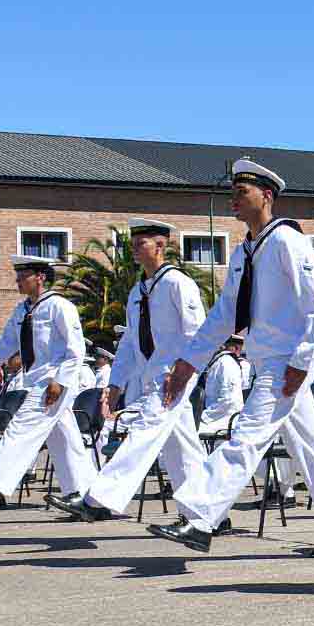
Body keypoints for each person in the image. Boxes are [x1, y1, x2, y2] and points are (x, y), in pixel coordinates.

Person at [151, 159, 314, 557]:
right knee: (312, 448)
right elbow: (223, 315)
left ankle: (200, 518)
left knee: (246, 437)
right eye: (232, 192)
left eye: (242, 192)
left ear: (266, 196)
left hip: (287, 362)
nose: (234, 199)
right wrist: (188, 362)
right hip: (267, 361)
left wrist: (302, 363)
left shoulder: (287, 240)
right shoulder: (244, 252)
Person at [54, 219, 210, 524]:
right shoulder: (138, 291)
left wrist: (183, 370)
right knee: (182, 449)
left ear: (161, 246)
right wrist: (115, 384)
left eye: (141, 244)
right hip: (153, 375)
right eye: (133, 244)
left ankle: (98, 499)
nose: (135, 250)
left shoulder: (178, 283)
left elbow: (198, 334)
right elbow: (129, 342)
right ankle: (204, 515)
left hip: (176, 375)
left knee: (144, 430)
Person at [0, 254, 91, 512]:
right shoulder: (22, 309)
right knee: (65, 440)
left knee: (19, 431)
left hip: (54, 382)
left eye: (23, 276)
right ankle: (84, 495)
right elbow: (4, 345)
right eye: (17, 276)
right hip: (36, 380)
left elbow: (76, 349)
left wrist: (59, 381)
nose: (18, 281)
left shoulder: (59, 306)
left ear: (40, 277)